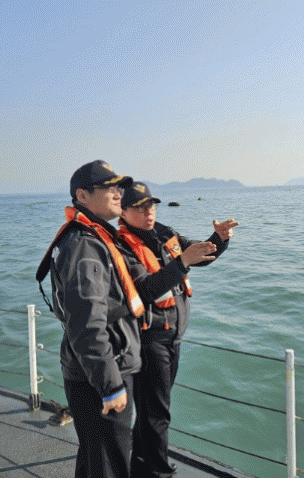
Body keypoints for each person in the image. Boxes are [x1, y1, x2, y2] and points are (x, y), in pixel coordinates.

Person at [116, 182, 239, 478]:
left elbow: (200, 255)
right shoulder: (121, 246)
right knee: (156, 414)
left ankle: (141, 467)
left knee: (152, 413)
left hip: (172, 336)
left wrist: (219, 239)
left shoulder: (164, 233)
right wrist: (183, 261)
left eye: (152, 205)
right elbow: (145, 289)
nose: (149, 212)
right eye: (140, 208)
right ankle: (159, 472)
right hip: (149, 339)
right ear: (123, 211)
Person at [36, 160, 144, 478]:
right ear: (82, 196)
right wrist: (111, 385)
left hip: (92, 370)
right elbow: (87, 323)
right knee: (110, 464)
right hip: (101, 375)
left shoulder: (91, 238)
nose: (118, 193)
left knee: (95, 459)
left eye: (119, 187)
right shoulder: (85, 246)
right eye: (109, 188)